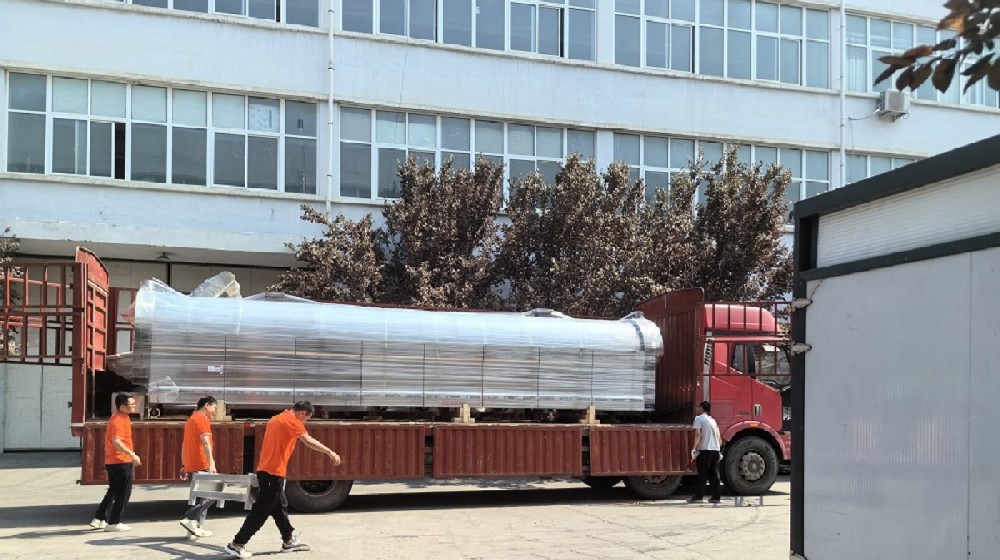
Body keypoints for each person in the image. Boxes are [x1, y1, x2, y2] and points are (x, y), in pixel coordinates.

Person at [224, 401, 342, 558]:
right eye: (306, 418)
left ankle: (288, 540)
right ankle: (237, 544)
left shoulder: (276, 418)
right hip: (273, 471)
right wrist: (330, 452)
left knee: (280, 506)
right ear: (302, 413)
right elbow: (308, 440)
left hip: (267, 470)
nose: (305, 422)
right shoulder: (292, 421)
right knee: (261, 510)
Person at [90, 393, 141, 531]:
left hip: (113, 460)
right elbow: (116, 441)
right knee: (123, 492)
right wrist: (132, 454)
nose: (134, 407)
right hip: (120, 460)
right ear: (123, 406)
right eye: (131, 405)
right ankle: (114, 522)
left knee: (113, 490)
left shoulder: (120, 417)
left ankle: (99, 518)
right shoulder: (119, 420)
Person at [179, 396, 219, 539]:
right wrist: (211, 463)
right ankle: (189, 518)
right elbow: (206, 442)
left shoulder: (190, 420)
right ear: (207, 405)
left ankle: (194, 530)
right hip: (201, 464)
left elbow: (184, 445)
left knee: (199, 497)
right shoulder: (202, 420)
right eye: (214, 408)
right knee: (212, 494)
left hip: (191, 464)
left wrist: (184, 464)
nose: (215, 412)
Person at [687, 400, 722, 504]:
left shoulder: (699, 419)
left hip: (705, 450)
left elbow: (697, 434)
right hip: (715, 449)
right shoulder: (713, 420)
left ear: (701, 408)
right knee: (714, 474)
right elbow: (719, 437)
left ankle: (698, 496)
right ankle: (716, 497)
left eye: (698, 406)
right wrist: (719, 450)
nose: (696, 408)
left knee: (703, 474)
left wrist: (694, 448)